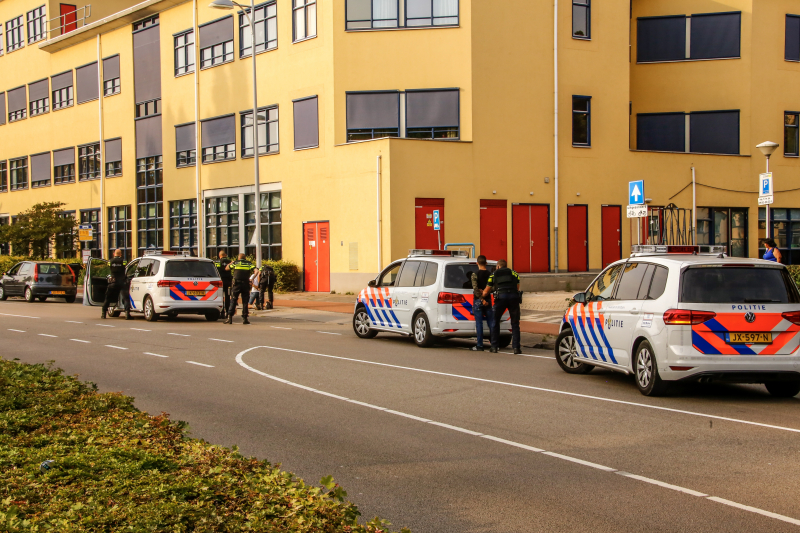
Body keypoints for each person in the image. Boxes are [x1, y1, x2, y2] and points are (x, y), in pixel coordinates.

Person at [482, 259, 521, 354]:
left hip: (501, 298)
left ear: (498, 266)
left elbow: (487, 290)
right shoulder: (514, 273)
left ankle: (494, 346)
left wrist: (481, 296)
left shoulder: (493, 274)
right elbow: (517, 287)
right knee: (515, 323)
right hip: (514, 298)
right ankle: (516, 348)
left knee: (495, 321)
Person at [469, 255, 494, 351]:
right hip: (488, 300)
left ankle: (480, 345)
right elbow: (494, 287)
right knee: (491, 322)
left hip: (478, 301)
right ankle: (494, 344)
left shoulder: (474, 274)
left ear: (477, 263)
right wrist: (486, 293)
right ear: (486, 263)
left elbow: (475, 289)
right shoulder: (490, 274)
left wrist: (481, 299)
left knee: (479, 323)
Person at [101, 249, 132, 321]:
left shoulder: (110, 261)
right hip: (122, 281)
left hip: (113, 281)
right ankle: (127, 314)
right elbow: (126, 267)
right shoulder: (123, 261)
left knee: (108, 298)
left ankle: (103, 313)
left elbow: (108, 267)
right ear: (121, 254)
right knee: (126, 298)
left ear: (114, 254)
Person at [225, 253, 255, 325]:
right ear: (245, 258)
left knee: (233, 300)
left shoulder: (236, 263)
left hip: (236, 284)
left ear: (239, 258)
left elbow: (227, 268)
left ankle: (230, 318)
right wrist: (252, 279)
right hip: (245, 284)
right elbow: (256, 270)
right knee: (245, 302)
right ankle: (245, 318)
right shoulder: (249, 263)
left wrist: (231, 263)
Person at [214, 251, 233, 319]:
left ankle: (222, 312)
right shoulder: (229, 261)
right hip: (228, 281)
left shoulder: (216, 262)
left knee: (220, 297)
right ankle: (228, 312)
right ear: (225, 255)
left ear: (219, 255)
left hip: (219, 281)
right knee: (227, 297)